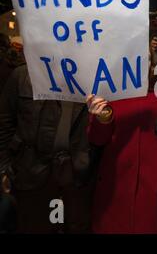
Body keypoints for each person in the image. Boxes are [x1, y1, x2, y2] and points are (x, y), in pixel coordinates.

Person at [0, 64, 95, 233]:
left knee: (75, 226)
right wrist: (4, 168)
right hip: (31, 172)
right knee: (35, 226)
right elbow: (4, 123)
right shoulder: (22, 75)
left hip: (77, 176)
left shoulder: (95, 79)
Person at [86, 67, 157, 233]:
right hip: (115, 181)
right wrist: (101, 118)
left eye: (147, 56)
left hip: (155, 181)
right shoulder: (108, 91)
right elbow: (97, 139)